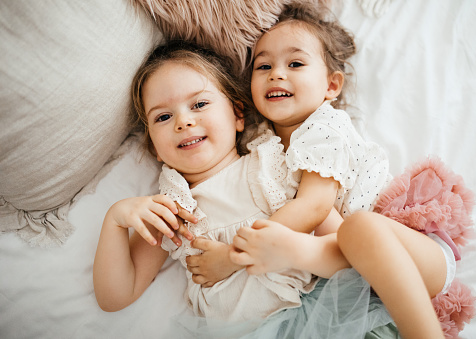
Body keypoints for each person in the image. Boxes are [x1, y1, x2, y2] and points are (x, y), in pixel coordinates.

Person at [227, 2, 455, 338]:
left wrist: (233, 254)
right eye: (263, 66)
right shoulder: (263, 144)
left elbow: (317, 209)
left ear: (332, 86)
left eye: (295, 63)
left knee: (358, 229)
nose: (276, 73)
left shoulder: (325, 126)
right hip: (362, 282)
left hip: (413, 256)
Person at [93, 40, 349, 324]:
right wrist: (115, 219)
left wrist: (237, 256)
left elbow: (344, 247)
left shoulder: (274, 166)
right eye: (163, 116)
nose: (184, 122)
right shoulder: (171, 212)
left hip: (316, 316)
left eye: (199, 104)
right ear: (154, 147)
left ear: (238, 115)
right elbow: (114, 297)